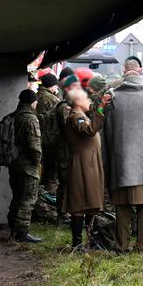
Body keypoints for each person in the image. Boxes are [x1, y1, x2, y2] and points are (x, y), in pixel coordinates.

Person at [103, 57, 143, 251]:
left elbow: (106, 130)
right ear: (140, 71)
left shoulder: (113, 96)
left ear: (124, 71)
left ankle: (121, 245)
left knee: (122, 208)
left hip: (122, 163)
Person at [63, 89, 111, 248]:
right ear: (77, 101)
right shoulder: (75, 117)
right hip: (81, 165)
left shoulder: (81, 116)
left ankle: (92, 240)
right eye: (86, 98)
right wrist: (101, 108)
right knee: (79, 203)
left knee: (91, 201)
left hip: (89, 164)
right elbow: (89, 130)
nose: (89, 100)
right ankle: (77, 243)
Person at [8, 89, 44, 243]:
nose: (37, 103)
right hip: (28, 165)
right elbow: (34, 145)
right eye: (35, 101)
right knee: (28, 198)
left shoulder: (14, 116)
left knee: (17, 197)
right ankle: (22, 233)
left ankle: (13, 229)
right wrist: (38, 163)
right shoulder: (30, 118)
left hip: (14, 163)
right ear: (32, 101)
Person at [53, 74, 81, 224]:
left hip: (67, 149)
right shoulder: (65, 107)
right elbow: (68, 128)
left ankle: (64, 212)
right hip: (64, 150)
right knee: (65, 182)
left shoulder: (68, 106)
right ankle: (62, 214)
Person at [36, 73, 61, 194]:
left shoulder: (36, 97)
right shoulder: (52, 99)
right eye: (56, 85)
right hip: (51, 142)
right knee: (52, 176)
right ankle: (50, 202)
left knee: (42, 174)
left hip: (38, 141)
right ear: (52, 85)